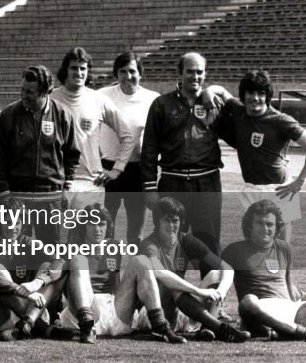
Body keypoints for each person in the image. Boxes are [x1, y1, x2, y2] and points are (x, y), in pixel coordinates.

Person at [214, 70, 306, 241]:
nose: (255, 98)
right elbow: (220, 90)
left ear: (267, 96)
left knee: (281, 246)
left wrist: (300, 182)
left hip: (279, 191)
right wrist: (207, 92)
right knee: (253, 244)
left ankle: (285, 269)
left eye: (261, 93)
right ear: (243, 94)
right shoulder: (238, 109)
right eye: (251, 92)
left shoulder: (280, 120)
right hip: (251, 188)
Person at [222, 199, 306, 343]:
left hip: (290, 310)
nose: (265, 229)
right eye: (259, 223)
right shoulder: (234, 250)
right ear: (249, 226)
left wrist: (300, 297)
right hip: (259, 313)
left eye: (269, 224)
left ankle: (285, 333)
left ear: (277, 227)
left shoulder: (284, 248)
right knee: (247, 302)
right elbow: (220, 279)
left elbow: (287, 283)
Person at [60, 205, 186, 344]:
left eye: (101, 224)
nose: (97, 229)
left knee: (141, 260)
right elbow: (61, 284)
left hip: (114, 310)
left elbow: (116, 283)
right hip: (86, 309)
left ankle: (160, 326)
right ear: (84, 226)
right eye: (92, 224)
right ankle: (87, 327)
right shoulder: (71, 248)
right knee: (79, 259)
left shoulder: (113, 246)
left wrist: (131, 303)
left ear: (108, 226)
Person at [141, 52, 223, 254]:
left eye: (199, 72)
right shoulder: (161, 104)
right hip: (173, 183)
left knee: (209, 244)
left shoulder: (214, 104)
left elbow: (240, 128)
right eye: (190, 72)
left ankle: (211, 286)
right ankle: (170, 287)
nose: (195, 77)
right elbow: (149, 149)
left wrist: (213, 90)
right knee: (170, 245)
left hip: (207, 184)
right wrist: (150, 189)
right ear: (180, 73)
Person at [139, 197, 249, 342]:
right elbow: (160, 273)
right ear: (157, 222)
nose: (171, 225)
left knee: (216, 274)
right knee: (172, 282)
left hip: (179, 311)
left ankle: (207, 329)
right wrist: (199, 291)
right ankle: (220, 328)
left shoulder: (186, 240)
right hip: (153, 315)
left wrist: (221, 292)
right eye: (166, 220)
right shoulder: (149, 244)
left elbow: (226, 267)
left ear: (181, 222)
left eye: (175, 221)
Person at [0, 65, 79, 248]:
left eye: (30, 92)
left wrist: (68, 186)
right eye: (22, 90)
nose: (24, 95)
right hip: (17, 197)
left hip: (50, 197)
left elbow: (72, 154)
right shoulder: (9, 114)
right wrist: (4, 193)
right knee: (16, 251)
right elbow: (0, 157)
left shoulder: (63, 114)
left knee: (49, 250)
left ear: (45, 92)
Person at [51, 47, 134, 211]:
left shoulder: (98, 100)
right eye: (74, 68)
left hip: (92, 183)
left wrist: (116, 169)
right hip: (58, 182)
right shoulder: (51, 99)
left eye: (83, 68)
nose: (79, 73)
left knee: (90, 235)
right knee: (60, 236)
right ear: (65, 70)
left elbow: (127, 136)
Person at [0, 203, 69, 341]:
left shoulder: (28, 243)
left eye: (17, 222)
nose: (13, 228)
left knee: (48, 266)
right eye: (7, 222)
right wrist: (24, 293)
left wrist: (38, 282)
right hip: (3, 311)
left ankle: (27, 323)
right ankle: (38, 326)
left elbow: (61, 262)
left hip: (35, 305)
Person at [98, 52, 159, 244]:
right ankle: (107, 274)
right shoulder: (101, 96)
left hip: (137, 171)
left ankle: (134, 273)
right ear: (116, 74)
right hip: (108, 168)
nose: (128, 76)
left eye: (132, 71)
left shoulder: (152, 99)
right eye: (122, 71)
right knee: (104, 231)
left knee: (135, 235)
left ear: (140, 73)